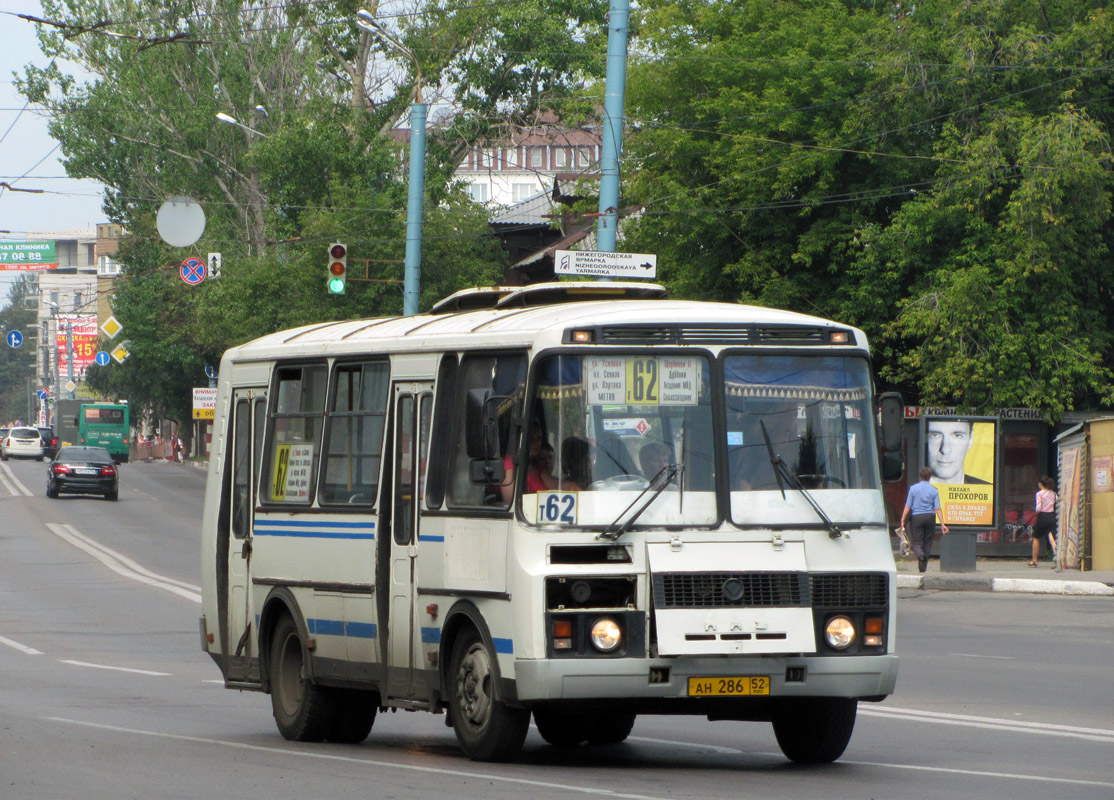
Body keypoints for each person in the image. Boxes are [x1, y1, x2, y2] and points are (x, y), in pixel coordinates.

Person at [900, 466, 950, 572]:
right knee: (927, 543)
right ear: (929, 477)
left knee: (916, 543)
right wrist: (942, 524)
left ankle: (920, 555)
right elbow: (938, 508)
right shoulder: (934, 490)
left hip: (916, 518)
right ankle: (923, 568)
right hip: (930, 517)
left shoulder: (913, 489)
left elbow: (908, 505)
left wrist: (903, 519)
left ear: (920, 476)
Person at [925, 419, 988, 484]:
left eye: (957, 435)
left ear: (971, 439)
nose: (945, 450)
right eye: (935, 435)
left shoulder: (985, 489)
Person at [1030, 475, 1058, 568]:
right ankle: (1057, 559)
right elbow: (1058, 502)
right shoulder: (1054, 494)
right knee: (1052, 538)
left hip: (1043, 516)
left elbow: (1038, 508)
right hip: (1052, 516)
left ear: (1041, 484)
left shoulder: (1039, 494)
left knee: (1036, 537)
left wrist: (1037, 513)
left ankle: (1034, 560)